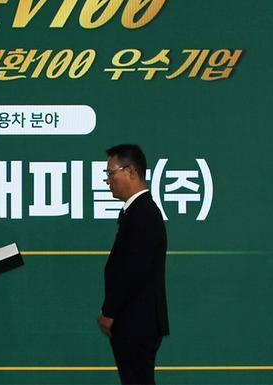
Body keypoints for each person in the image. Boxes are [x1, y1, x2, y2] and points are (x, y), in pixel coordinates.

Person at [98, 144, 169, 385]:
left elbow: (133, 270)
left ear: (130, 171)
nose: (107, 180)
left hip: (137, 322)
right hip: (135, 320)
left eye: (111, 173)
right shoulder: (137, 212)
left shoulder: (144, 213)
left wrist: (109, 312)